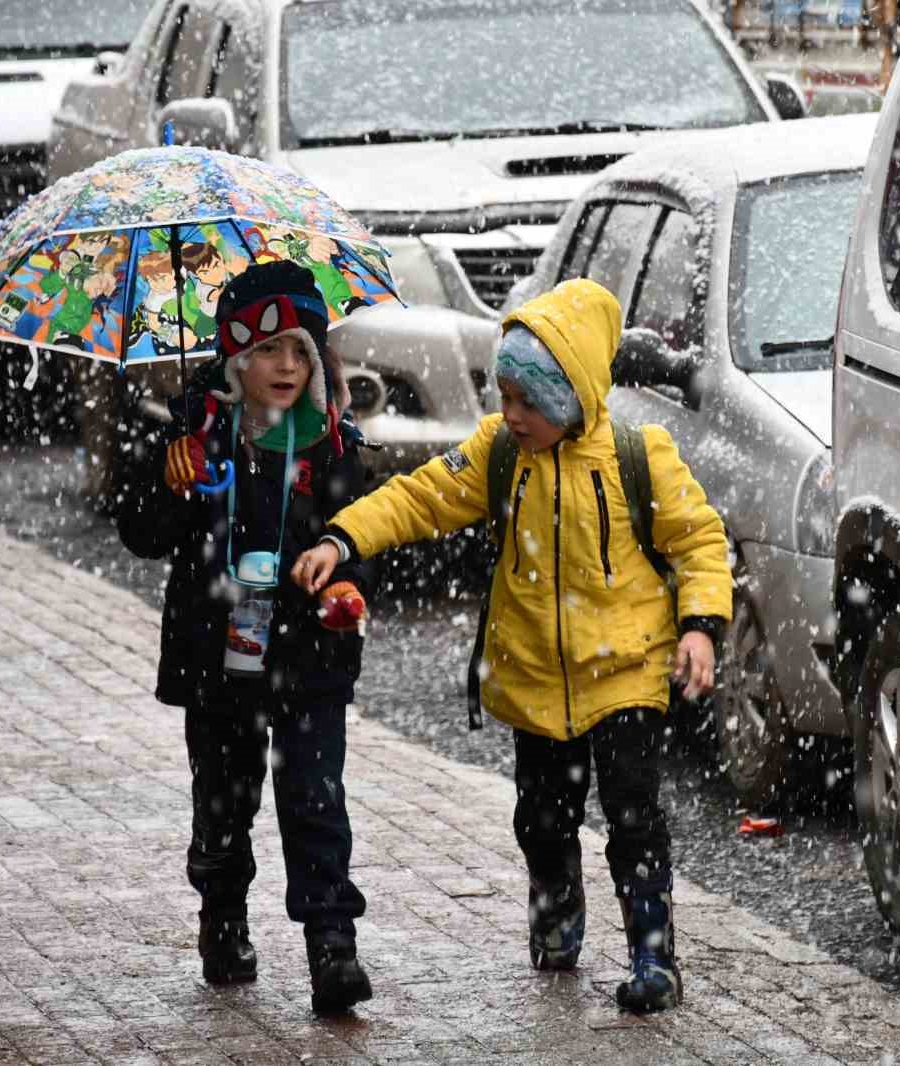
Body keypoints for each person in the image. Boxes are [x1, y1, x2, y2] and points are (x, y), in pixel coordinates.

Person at [291, 278, 731, 1012]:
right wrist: (345, 535)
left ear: (572, 398)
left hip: (626, 671)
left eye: (529, 402)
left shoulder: (637, 457)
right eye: (505, 396)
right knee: (542, 818)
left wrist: (699, 626)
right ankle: (557, 913)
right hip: (532, 678)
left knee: (634, 817)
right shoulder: (500, 453)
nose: (512, 415)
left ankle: (654, 957)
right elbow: (421, 496)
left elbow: (700, 540)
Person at [116, 260, 375, 1013]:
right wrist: (165, 481)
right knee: (225, 802)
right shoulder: (198, 438)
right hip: (217, 657)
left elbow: (361, 537)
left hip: (309, 658)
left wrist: (349, 588)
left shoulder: (333, 444)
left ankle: (332, 946)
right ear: (236, 359)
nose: (285, 367)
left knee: (316, 801)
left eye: (300, 351)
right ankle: (222, 916)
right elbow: (141, 532)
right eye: (268, 351)